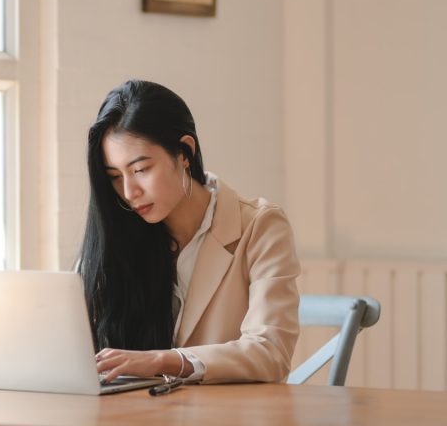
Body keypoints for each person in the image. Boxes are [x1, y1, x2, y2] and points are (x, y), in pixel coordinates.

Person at [77, 80, 300, 384]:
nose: (129, 192)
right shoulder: (119, 236)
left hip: (230, 423)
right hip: (136, 419)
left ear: (185, 152)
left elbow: (270, 352)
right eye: (115, 176)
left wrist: (163, 360)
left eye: (141, 170)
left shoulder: (260, 227)